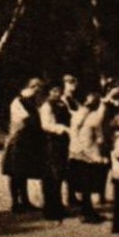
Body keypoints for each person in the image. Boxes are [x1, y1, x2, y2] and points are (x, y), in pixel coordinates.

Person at [0, 78, 46, 212]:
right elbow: (27, 120)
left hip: (28, 139)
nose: (37, 90)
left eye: (39, 87)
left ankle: (25, 201)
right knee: (15, 172)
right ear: (31, 87)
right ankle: (15, 203)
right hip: (18, 139)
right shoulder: (18, 101)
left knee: (24, 170)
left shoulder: (33, 102)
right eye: (36, 87)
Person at [67, 91, 110, 224]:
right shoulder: (87, 115)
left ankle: (87, 210)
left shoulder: (84, 115)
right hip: (86, 151)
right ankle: (87, 212)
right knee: (87, 182)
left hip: (83, 150)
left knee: (87, 182)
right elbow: (96, 136)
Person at [38, 84, 73, 221]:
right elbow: (46, 125)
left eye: (59, 90)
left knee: (59, 175)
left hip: (62, 143)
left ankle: (58, 206)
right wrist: (62, 128)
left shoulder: (62, 104)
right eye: (54, 90)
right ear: (49, 92)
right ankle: (50, 209)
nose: (57, 93)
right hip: (51, 143)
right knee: (52, 176)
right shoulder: (46, 106)